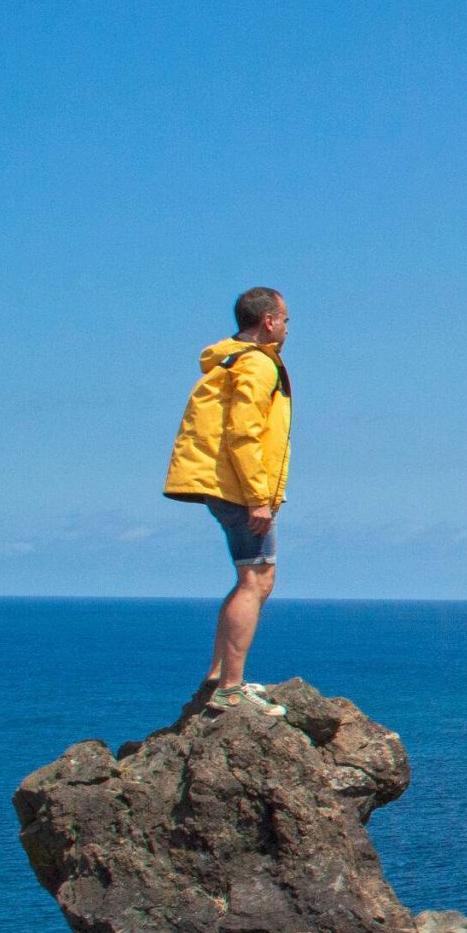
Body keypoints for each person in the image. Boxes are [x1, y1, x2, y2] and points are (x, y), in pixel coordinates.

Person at [163, 287, 294, 715]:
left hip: (224, 485)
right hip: (241, 489)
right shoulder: (257, 364)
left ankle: (219, 675)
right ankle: (231, 688)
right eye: (286, 320)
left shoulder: (229, 358)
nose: (288, 329)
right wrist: (259, 498)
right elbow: (243, 432)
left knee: (249, 579)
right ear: (269, 322)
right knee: (257, 582)